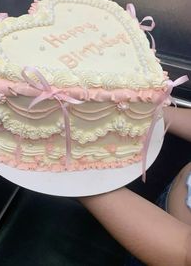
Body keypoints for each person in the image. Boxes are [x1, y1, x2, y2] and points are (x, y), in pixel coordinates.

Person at [80, 106, 191, 266]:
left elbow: (185, 251)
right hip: (166, 201)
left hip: (166, 247)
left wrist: (84, 183)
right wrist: (150, 111)